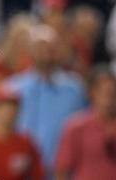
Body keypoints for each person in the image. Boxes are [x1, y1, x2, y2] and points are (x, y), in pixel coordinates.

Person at [6, 24, 87, 178]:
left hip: (63, 173)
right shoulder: (13, 88)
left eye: (52, 47)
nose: (46, 52)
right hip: (21, 173)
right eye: (40, 46)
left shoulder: (75, 89)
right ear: (30, 50)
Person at [55, 70, 116, 180]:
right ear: (92, 93)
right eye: (105, 92)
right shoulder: (76, 127)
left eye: (113, 92)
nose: (110, 97)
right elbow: (62, 170)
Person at [0, 86, 45, 180]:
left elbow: (38, 174)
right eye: (4, 107)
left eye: (13, 107)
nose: (9, 112)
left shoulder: (26, 142)